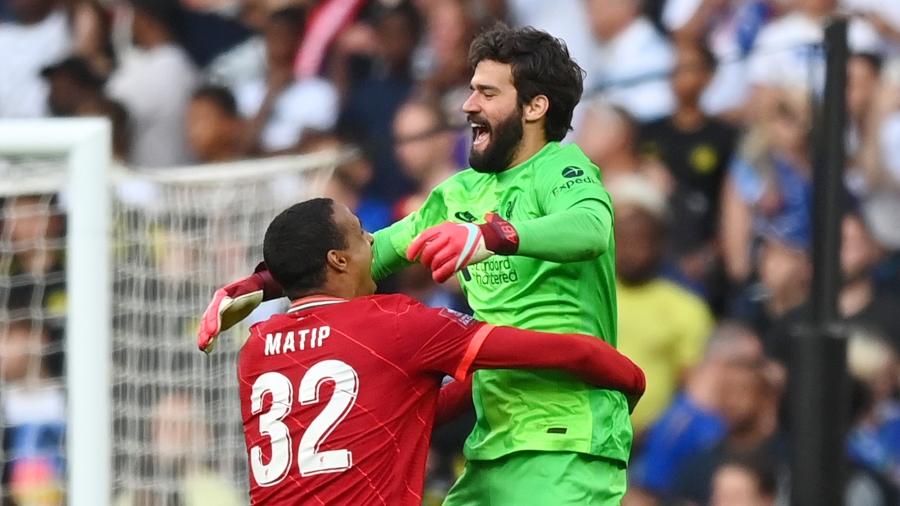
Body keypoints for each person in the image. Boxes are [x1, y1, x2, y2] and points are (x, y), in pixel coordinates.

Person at [201, 24, 638, 504]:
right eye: (471, 89)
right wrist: (260, 285)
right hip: (493, 443)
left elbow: (590, 228)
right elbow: (365, 255)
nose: (468, 105)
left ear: (535, 107)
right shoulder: (458, 194)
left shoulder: (561, 169)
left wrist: (493, 236)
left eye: (487, 93)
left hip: (565, 439)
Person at [237, 198, 645, 505]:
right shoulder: (395, 323)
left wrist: (479, 385)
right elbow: (570, 354)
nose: (374, 241)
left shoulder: (255, 348)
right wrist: (631, 380)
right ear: (338, 261)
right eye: (362, 233)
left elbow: (383, 421)